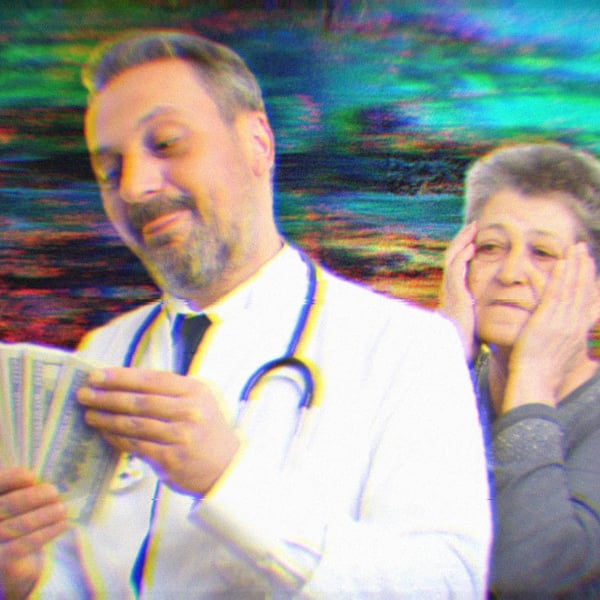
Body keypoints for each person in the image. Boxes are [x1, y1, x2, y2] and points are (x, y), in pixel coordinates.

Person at [0, 29, 491, 598]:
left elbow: (449, 584)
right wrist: (28, 577)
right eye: (110, 171)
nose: (134, 187)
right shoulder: (104, 352)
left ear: (258, 143)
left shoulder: (406, 347)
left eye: (167, 143)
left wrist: (228, 480)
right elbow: (84, 582)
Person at [440, 142, 600, 597]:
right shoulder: (443, 383)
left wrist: (531, 379)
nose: (511, 273)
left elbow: (525, 576)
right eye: (491, 247)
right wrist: (443, 356)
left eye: (543, 254)